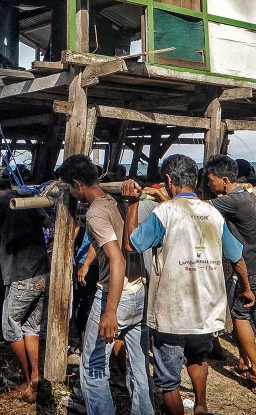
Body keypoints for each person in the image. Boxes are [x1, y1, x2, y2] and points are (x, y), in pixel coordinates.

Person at [122, 153, 253, 415]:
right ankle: (201, 404)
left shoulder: (165, 213)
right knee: (197, 357)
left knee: (168, 379)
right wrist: (247, 287)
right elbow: (235, 254)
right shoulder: (213, 213)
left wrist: (132, 205)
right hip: (206, 305)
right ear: (195, 180)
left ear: (169, 180)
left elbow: (131, 245)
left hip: (172, 308)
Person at [57, 154, 151, 415]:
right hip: (138, 291)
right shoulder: (115, 203)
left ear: (77, 184)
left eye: (69, 187)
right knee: (139, 365)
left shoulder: (96, 212)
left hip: (114, 295)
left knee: (94, 365)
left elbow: (117, 260)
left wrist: (110, 312)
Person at [203, 155, 256, 408]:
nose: (209, 185)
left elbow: (199, 208)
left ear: (225, 180)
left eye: (211, 180)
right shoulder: (252, 195)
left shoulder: (229, 201)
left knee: (241, 315)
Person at [0, 166, 50, 403]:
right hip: (41, 272)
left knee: (10, 327)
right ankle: (35, 376)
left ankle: (29, 379)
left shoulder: (0, 201)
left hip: (20, 275)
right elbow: (46, 220)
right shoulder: (27, 196)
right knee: (30, 327)